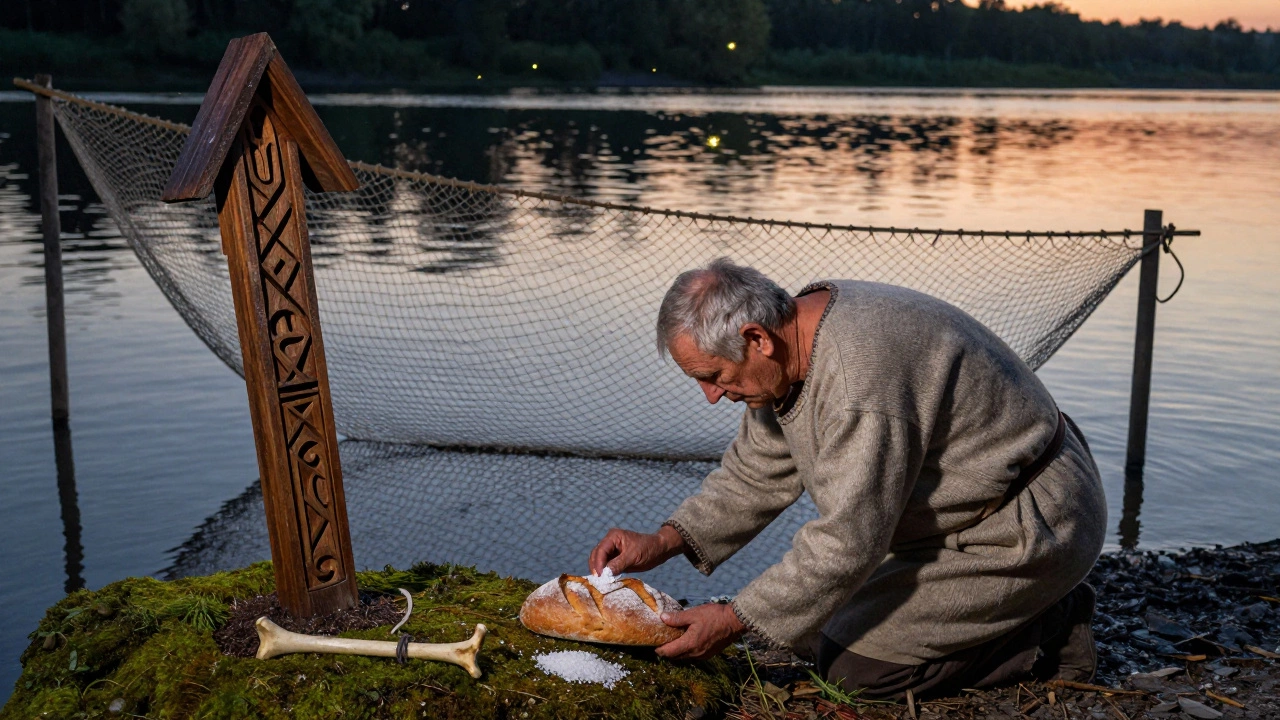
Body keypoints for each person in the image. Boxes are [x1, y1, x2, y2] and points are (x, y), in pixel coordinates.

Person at [588, 258, 1106, 699]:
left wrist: (731, 620)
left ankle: (1051, 627)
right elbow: (756, 472)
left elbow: (849, 541)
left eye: (713, 376)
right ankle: (1007, 609)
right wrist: (664, 541)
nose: (711, 396)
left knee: (858, 672)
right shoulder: (788, 346)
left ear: (755, 338)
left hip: (1032, 521)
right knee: (814, 629)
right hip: (963, 519)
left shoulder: (859, 380)